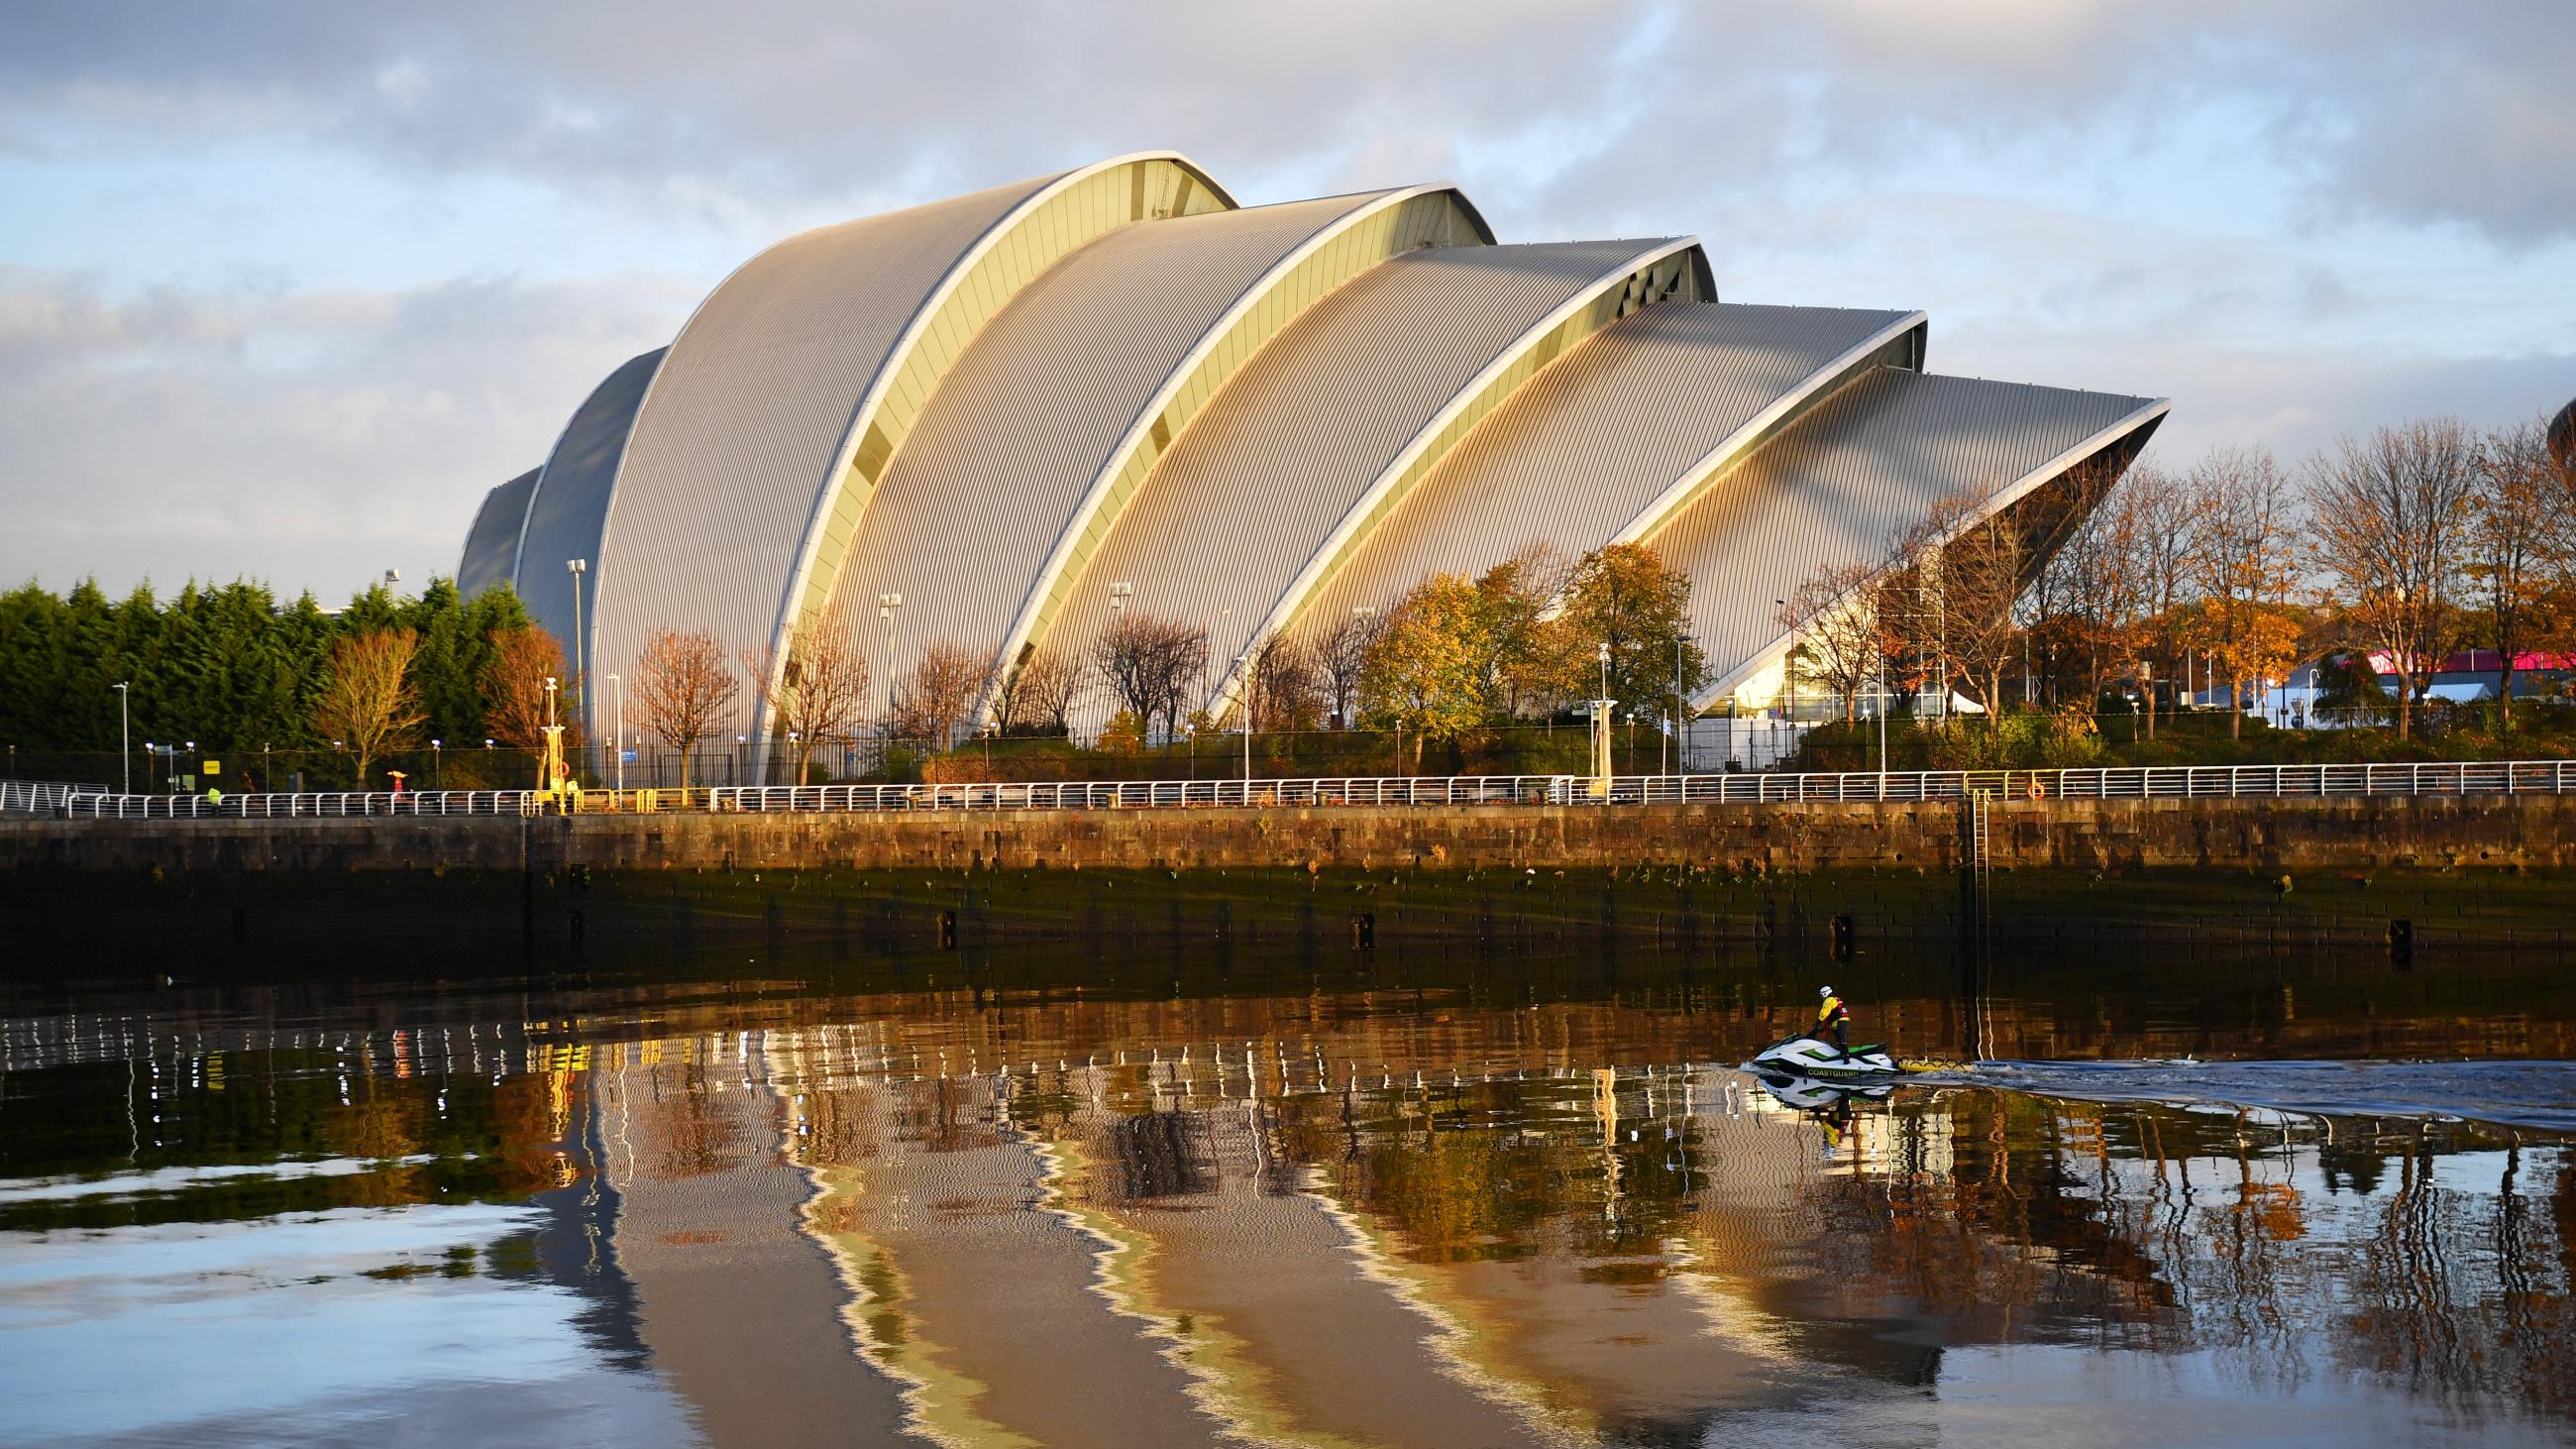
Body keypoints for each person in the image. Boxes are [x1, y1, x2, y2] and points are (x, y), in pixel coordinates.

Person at [1815, 985, 1850, 1053]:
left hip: (1839, 1023)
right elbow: (1831, 1015)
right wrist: (1824, 1028)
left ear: (1825, 994)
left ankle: (1846, 1059)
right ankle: (1843, 1055)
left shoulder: (1828, 1000)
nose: (1821, 997)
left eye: (1821, 995)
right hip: (1846, 1022)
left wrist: (1817, 1023)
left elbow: (1824, 1013)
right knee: (1841, 1041)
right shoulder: (1837, 999)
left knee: (1842, 1042)